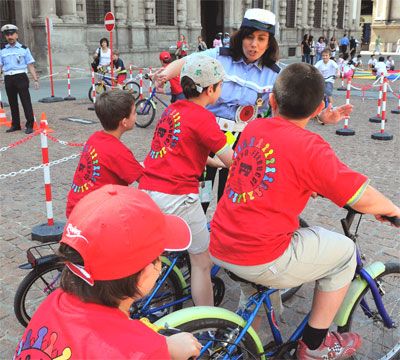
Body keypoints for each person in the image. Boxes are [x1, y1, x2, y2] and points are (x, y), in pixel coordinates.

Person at [209, 62, 400, 360]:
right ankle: (314, 345)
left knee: (256, 288)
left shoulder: (255, 127)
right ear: (319, 108)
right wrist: (392, 210)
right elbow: (359, 196)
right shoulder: (311, 148)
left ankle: (249, 341)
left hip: (221, 241)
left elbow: (275, 166)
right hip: (260, 253)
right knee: (345, 253)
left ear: (272, 100)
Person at [153, 8, 352, 215]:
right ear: (241, 38)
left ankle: (220, 238)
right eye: (249, 37)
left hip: (243, 142)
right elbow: (188, 62)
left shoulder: (276, 74)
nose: (254, 44)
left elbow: (293, 105)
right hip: (207, 135)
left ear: (269, 42)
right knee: (198, 194)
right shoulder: (220, 57)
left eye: (261, 38)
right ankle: (193, 235)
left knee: (230, 198)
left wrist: (320, 116)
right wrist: (165, 74)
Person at [16, 184, 202, 359]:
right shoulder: (141, 352)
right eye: (159, 256)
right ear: (144, 275)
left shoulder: (52, 303)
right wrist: (164, 348)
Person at [139, 55, 234, 307]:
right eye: (220, 85)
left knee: (154, 251)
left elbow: (180, 150)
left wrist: (211, 161)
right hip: (177, 196)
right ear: (210, 89)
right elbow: (232, 160)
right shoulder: (205, 119)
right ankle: (209, 323)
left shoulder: (173, 110)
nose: (221, 90)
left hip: (149, 189)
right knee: (202, 262)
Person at [65, 89, 143, 218]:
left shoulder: (94, 138)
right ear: (124, 122)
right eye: (134, 113)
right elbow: (144, 179)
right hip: (95, 214)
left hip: (76, 208)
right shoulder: (119, 151)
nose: (136, 116)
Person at [0, 24, 39, 134]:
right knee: (12, 103)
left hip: (21, 76)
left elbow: (30, 65)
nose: (9, 36)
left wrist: (35, 79)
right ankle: (16, 124)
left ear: (16, 35)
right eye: (7, 35)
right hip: (8, 77)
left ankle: (30, 124)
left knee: (25, 102)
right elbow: (0, 66)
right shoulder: (2, 50)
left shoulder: (24, 49)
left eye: (12, 34)